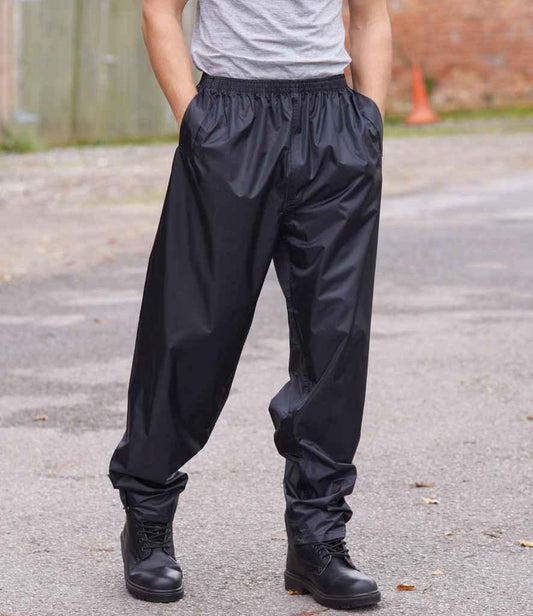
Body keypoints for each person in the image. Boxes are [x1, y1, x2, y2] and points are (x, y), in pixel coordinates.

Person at [109, 0, 391, 608]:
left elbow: (370, 16)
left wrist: (369, 121)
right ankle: (148, 517)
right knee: (192, 328)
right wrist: (195, 121)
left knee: (336, 336)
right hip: (229, 119)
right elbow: (160, 12)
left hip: (334, 124)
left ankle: (317, 540)